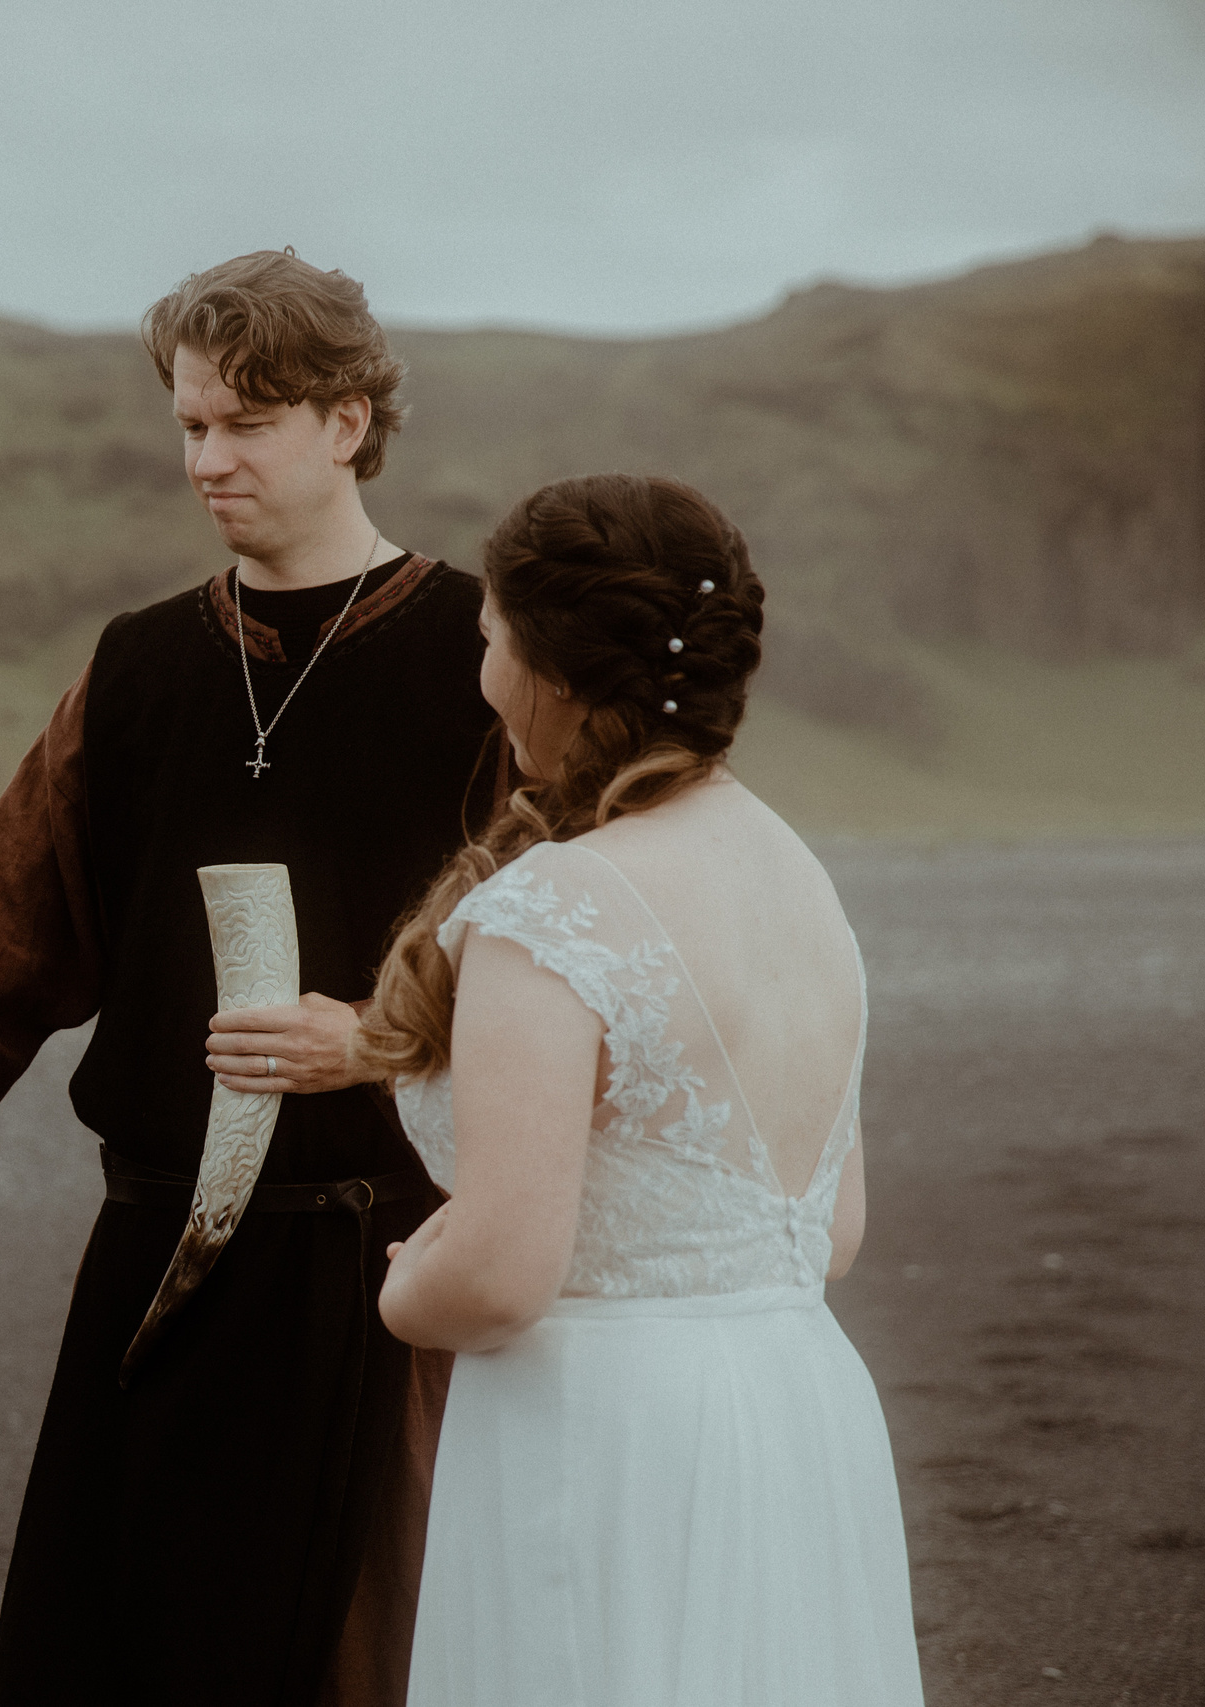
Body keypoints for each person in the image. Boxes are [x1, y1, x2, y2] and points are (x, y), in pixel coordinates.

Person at [0, 250, 504, 1704]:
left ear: (350, 417)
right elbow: (0, 929)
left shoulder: (480, 655)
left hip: (384, 1277)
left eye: (247, 421)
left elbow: (578, 957)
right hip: (162, 1276)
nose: (208, 457)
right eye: (190, 423)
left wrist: (386, 1041)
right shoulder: (138, 667)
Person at [361, 473, 927, 1705]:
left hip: (601, 1439)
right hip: (799, 1410)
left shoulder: (554, 911)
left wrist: (410, 1280)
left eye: (490, 636)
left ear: (552, 669)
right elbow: (829, 1235)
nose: (481, 670)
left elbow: (503, 1278)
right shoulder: (796, 876)